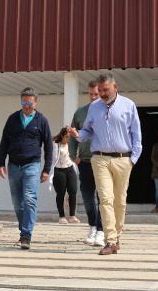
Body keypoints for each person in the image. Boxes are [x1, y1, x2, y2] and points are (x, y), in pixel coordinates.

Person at [67, 72, 142, 255]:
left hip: (123, 159)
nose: (102, 93)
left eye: (105, 90)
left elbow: (136, 135)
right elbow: (87, 131)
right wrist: (77, 135)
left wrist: (133, 159)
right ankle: (109, 239)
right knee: (105, 199)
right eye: (99, 90)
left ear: (115, 87)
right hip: (99, 158)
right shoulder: (94, 108)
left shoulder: (128, 105)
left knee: (119, 201)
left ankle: (117, 236)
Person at [0, 87, 53, 250]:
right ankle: (24, 230)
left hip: (32, 165)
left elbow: (48, 146)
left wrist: (46, 169)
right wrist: (1, 163)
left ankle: (26, 235)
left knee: (30, 199)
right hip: (14, 166)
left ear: (35, 102)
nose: (26, 105)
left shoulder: (41, 120)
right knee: (17, 202)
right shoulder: (12, 119)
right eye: (24, 102)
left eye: (29, 102)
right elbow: (4, 142)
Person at [69, 80, 105, 247]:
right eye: (90, 94)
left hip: (103, 160)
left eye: (96, 94)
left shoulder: (107, 110)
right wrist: (73, 155)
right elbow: (72, 135)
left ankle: (101, 230)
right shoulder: (80, 113)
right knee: (88, 197)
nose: (93, 97)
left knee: (103, 197)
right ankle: (92, 226)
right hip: (84, 160)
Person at [51, 127, 80, 224]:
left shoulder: (70, 145)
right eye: (67, 137)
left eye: (70, 137)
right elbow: (54, 157)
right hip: (59, 170)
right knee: (61, 193)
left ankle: (72, 215)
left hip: (70, 168)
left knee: (73, 191)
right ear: (62, 136)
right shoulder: (55, 145)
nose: (68, 139)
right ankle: (62, 216)